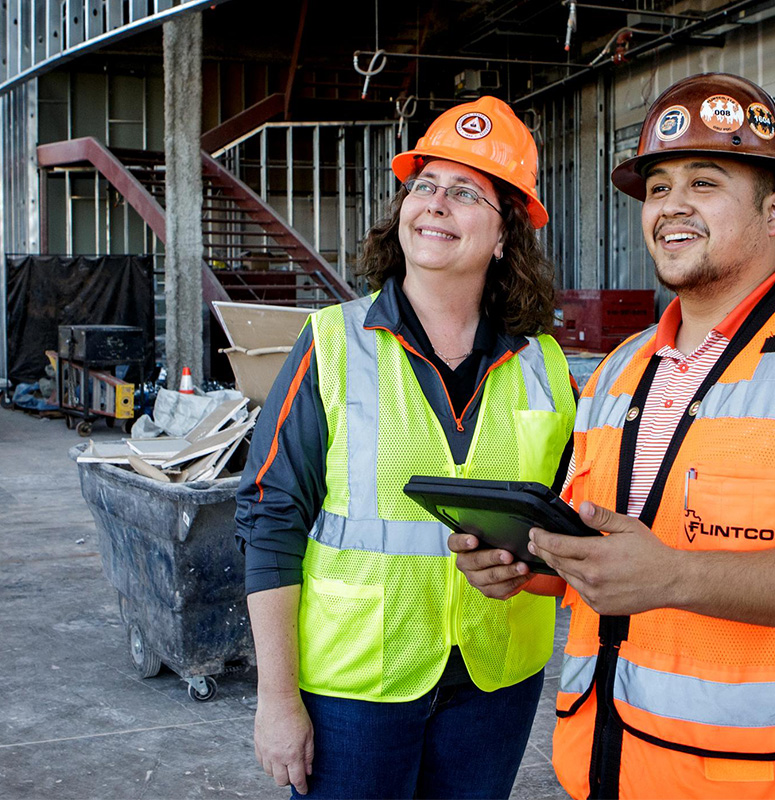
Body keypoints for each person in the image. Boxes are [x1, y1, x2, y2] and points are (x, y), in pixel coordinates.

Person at [451, 73, 775, 800]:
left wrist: (677, 576)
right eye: (658, 188)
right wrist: (531, 567)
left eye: (705, 182)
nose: (672, 206)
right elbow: (609, 545)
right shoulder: (620, 369)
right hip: (612, 768)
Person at [235, 95, 576, 799]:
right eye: (424, 186)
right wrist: (276, 699)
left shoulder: (546, 366)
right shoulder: (332, 342)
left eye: (465, 193)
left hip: (496, 682)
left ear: (506, 234)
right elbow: (271, 517)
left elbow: (574, 521)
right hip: (356, 687)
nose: (435, 204)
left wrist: (536, 568)